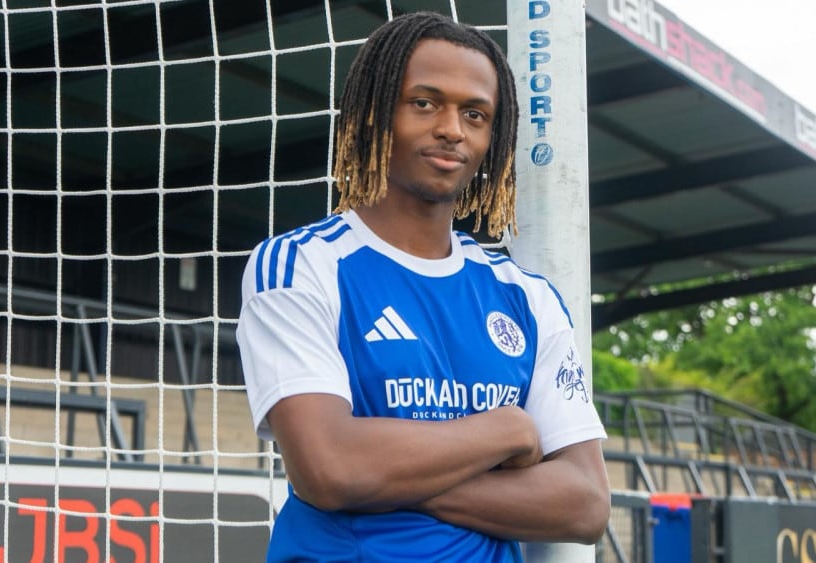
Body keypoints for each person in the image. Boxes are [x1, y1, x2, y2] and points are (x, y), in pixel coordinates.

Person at [236, 11, 610, 562]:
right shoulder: (299, 266)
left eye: (475, 114)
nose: (452, 129)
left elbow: (584, 505)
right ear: (372, 115)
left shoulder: (527, 298)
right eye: (425, 103)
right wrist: (507, 431)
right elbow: (329, 469)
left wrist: (388, 477)